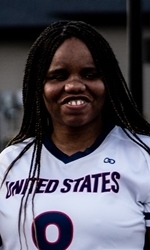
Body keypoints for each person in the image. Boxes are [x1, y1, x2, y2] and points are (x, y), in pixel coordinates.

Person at [0, 20, 150, 250]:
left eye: (90, 74)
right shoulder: (9, 163)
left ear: (108, 83)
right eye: (58, 76)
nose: (74, 86)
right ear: (38, 86)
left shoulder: (143, 157)